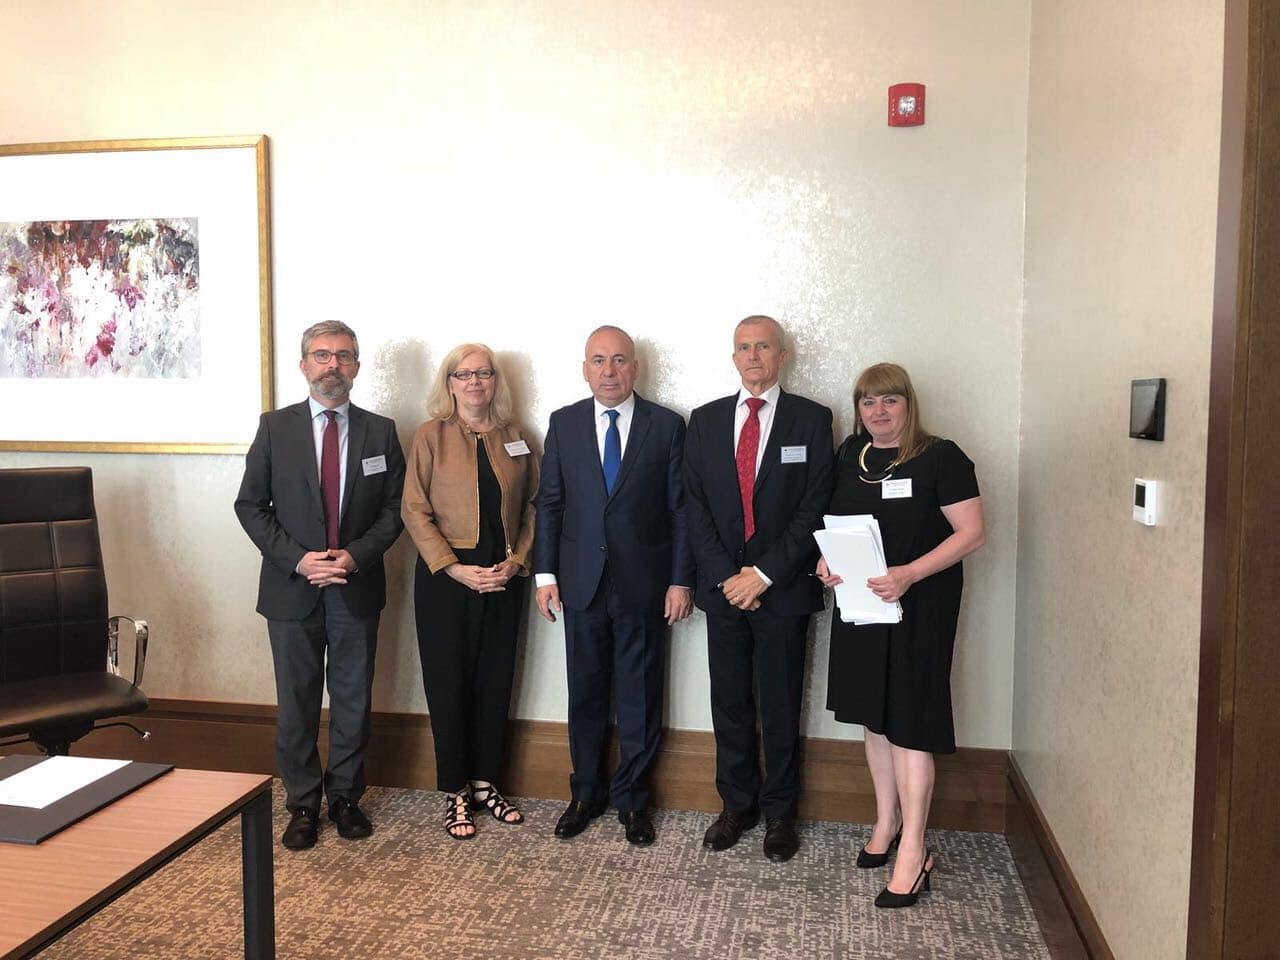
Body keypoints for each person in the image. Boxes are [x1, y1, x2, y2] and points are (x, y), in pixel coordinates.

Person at [817, 362, 985, 908]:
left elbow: (972, 534)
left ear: (909, 404)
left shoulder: (942, 456)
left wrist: (909, 573)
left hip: (920, 608)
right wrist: (826, 563)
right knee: (875, 716)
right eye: (868, 402)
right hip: (863, 605)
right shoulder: (851, 455)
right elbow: (837, 523)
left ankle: (915, 850)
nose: (879, 411)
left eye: (890, 400)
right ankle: (886, 823)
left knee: (910, 723)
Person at [234, 320, 405, 850]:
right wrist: (299, 560)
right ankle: (304, 803)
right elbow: (250, 506)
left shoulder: (382, 432)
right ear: (304, 364)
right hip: (292, 589)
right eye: (323, 355)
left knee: (353, 700)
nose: (333, 365)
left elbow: (395, 510)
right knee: (297, 702)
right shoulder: (274, 428)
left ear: (357, 365)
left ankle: (346, 798)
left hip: (356, 585)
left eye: (344, 355)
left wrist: (354, 556)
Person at [534, 325, 694, 846]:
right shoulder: (563, 423)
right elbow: (550, 503)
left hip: (644, 584)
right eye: (599, 360)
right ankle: (585, 794)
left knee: (639, 695)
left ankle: (633, 800)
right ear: (585, 369)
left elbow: (680, 511)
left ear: (635, 368)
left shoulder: (666, 426)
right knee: (584, 692)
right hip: (580, 583)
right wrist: (545, 574)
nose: (609, 371)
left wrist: (680, 580)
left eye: (620, 360)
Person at [683, 315, 834, 863]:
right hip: (724, 590)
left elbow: (814, 505)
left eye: (763, 346)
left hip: (782, 591)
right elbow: (694, 505)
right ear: (734, 357)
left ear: (782, 356)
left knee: (780, 704)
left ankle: (779, 814)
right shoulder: (704, 421)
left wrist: (764, 574)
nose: (753, 356)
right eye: (743, 347)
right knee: (729, 702)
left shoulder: (812, 419)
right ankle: (736, 805)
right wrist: (729, 576)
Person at [401, 343, 539, 840]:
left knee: (495, 681)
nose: (474, 381)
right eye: (463, 374)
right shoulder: (430, 435)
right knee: (448, 684)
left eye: (483, 372)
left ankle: (486, 783)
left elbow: (535, 507)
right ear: (450, 383)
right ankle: (455, 789)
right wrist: (454, 568)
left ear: (496, 380)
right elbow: (414, 509)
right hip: (446, 580)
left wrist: (518, 562)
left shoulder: (517, 437)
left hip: (503, 576)